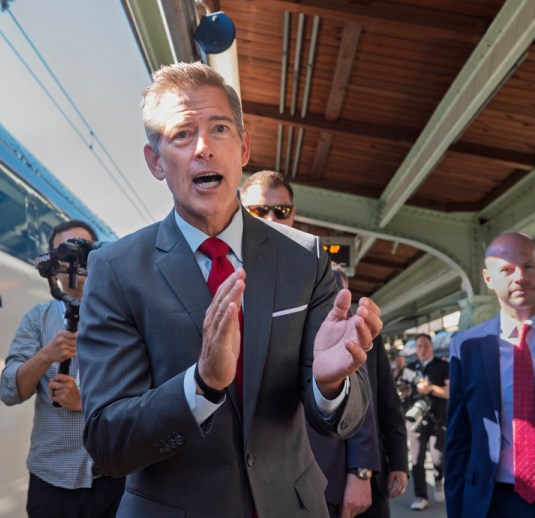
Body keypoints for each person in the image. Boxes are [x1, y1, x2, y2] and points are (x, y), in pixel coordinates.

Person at [76, 62, 383, 517]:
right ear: (156, 161)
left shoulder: (305, 259)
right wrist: (200, 385)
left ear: (243, 147)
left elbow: (341, 417)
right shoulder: (117, 270)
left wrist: (329, 383)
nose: (203, 148)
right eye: (182, 134)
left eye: (219, 128)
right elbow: (107, 442)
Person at [240, 172, 408, 518]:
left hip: (320, 468)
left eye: (281, 210)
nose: (272, 218)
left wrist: (361, 470)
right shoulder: (222, 272)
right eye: (258, 211)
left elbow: (361, 387)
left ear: (294, 213)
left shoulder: (320, 277)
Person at [446, 232, 535, 517]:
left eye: (528, 266)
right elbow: (458, 439)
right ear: (488, 279)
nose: (519, 277)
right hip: (494, 503)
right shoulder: (466, 347)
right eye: (506, 270)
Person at [0, 220, 124, 518]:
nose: (73, 261)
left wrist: (84, 402)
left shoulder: (124, 317)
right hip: (53, 482)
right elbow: (8, 391)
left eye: (81, 251)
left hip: (116, 480)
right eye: (64, 252)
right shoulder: (38, 319)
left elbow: (147, 393)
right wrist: (46, 355)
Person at [404, 333, 448, 511]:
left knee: (438, 459)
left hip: (438, 420)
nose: (422, 349)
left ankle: (438, 480)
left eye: (425, 346)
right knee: (416, 460)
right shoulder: (410, 368)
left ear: (432, 347)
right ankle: (420, 496)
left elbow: (449, 391)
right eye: (419, 346)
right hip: (415, 421)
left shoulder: (443, 365)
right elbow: (404, 389)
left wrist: (429, 388)